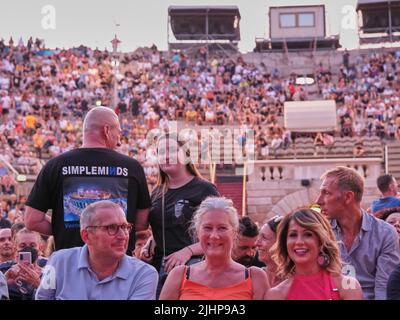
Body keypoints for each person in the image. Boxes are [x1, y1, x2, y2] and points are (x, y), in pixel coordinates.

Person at [25, 106, 151, 254]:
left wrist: (68, 229)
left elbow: (32, 220)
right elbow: (141, 223)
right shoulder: (132, 167)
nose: (119, 139)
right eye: (118, 132)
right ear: (106, 130)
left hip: (71, 260)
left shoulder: (56, 165)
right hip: (118, 262)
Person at [137, 135, 219, 296]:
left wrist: (187, 251)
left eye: (173, 150)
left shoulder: (204, 189)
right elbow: (165, 226)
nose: (166, 156)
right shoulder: (157, 192)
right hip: (159, 266)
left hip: (193, 266)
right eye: (161, 152)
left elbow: (219, 235)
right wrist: (151, 242)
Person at [35, 200, 158, 300]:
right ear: (86, 236)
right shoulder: (59, 261)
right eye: (111, 228)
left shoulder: (144, 274)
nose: (123, 235)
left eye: (125, 227)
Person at [159, 197, 269, 300]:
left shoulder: (255, 278)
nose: (214, 236)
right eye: (207, 228)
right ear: (198, 233)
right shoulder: (179, 276)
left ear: (235, 233)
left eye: (222, 228)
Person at [316, 166, 400, 299]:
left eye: (326, 193)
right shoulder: (319, 233)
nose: (318, 201)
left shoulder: (385, 234)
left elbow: (383, 288)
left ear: (348, 197)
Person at [265, 208, 363, 300]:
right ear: (285, 243)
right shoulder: (276, 295)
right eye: (293, 235)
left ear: (321, 241)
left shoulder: (348, 287)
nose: (299, 242)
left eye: (308, 234)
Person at [5, 228, 44, 300]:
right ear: (15, 248)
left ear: (40, 248)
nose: (28, 249)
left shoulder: (47, 275)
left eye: (32, 245)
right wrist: (4, 281)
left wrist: (39, 284)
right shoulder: (5, 271)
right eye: (22, 246)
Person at [256, 215, 284, 287]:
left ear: (279, 244)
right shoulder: (253, 278)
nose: (257, 244)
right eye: (259, 237)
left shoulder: (295, 280)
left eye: (264, 238)